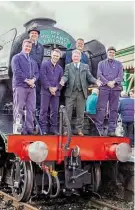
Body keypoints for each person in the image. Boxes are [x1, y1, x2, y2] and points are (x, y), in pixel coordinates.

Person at [60, 49, 102, 136]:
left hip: (81, 92)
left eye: (77, 56)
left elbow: (90, 77)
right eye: (74, 56)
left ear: (80, 57)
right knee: (68, 112)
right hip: (70, 92)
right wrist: (63, 80)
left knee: (80, 112)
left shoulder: (85, 66)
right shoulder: (68, 66)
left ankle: (79, 130)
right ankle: (66, 130)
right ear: (72, 57)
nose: (75, 58)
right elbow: (65, 76)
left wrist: (96, 81)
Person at [11, 39, 39, 134]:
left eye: (29, 47)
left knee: (31, 108)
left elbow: (37, 73)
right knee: (19, 108)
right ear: (23, 46)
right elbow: (17, 71)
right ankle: (18, 129)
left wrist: (33, 80)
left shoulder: (33, 61)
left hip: (31, 88)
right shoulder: (16, 58)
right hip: (20, 86)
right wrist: (28, 81)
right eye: (26, 46)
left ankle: (29, 129)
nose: (28, 48)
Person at [95, 46, 123, 136]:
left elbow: (120, 76)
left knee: (114, 109)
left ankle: (111, 130)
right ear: (107, 53)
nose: (111, 54)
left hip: (115, 89)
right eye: (110, 52)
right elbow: (99, 74)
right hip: (104, 88)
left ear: (115, 54)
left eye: (113, 53)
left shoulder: (119, 64)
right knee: (101, 108)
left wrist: (114, 82)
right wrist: (107, 82)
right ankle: (99, 129)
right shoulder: (101, 63)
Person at [39, 49, 63, 135]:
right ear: (51, 55)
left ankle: (53, 129)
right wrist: (49, 87)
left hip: (56, 93)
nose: (55, 57)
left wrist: (56, 88)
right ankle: (43, 128)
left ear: (59, 57)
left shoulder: (60, 68)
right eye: (54, 55)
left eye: (57, 56)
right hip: (45, 91)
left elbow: (62, 80)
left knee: (54, 111)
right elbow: (42, 76)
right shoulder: (44, 64)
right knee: (44, 110)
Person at [28, 27, 44, 111]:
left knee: (38, 91)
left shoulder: (41, 46)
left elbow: (40, 59)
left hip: (37, 72)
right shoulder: (26, 45)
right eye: (32, 33)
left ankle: (37, 110)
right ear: (29, 35)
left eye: (36, 33)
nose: (34, 35)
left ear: (38, 35)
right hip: (29, 72)